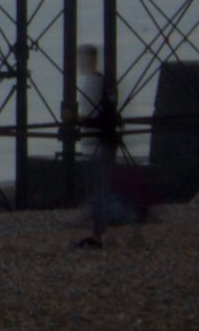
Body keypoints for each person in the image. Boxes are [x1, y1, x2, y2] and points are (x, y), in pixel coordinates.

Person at [75, 45, 124, 249]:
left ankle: (98, 235)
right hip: (101, 142)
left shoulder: (94, 83)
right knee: (98, 190)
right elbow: (110, 111)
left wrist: (80, 120)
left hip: (99, 143)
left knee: (98, 190)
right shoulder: (101, 81)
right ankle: (99, 233)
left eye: (82, 59)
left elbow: (94, 116)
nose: (80, 64)